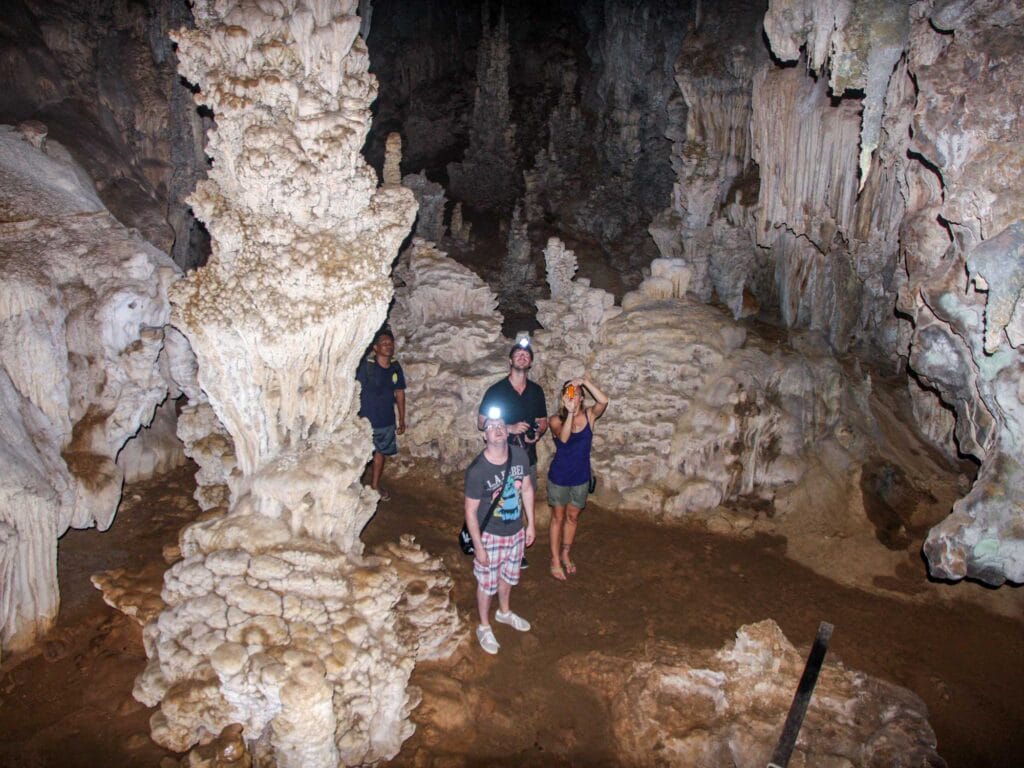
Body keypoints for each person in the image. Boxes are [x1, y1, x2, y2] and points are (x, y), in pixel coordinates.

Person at [464, 414, 536, 654]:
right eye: (491, 426)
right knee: (486, 583)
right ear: (484, 436)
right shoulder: (478, 470)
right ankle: (484, 626)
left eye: (500, 425)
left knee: (508, 576)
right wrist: (479, 546)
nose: (497, 429)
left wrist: (531, 524)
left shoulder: (519, 455)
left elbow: (526, 488)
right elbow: (470, 512)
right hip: (490, 535)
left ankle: (504, 612)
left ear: (507, 431)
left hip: (515, 531)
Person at [478, 337, 548, 568]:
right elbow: (481, 422)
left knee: (521, 502)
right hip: (500, 457)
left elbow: (542, 421)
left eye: (526, 355)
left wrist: (536, 433)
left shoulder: (536, 391)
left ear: (530, 363)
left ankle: (517, 550)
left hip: (526, 456)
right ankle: (490, 542)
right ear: (510, 360)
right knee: (500, 501)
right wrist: (508, 428)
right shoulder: (497, 390)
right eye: (518, 353)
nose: (522, 356)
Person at [547, 377, 609, 580]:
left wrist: (585, 382)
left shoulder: (590, 415)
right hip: (559, 477)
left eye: (576, 392)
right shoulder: (556, 419)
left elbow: (603, 401)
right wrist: (571, 413)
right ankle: (555, 559)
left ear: (582, 396)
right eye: (569, 392)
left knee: (572, 517)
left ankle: (565, 553)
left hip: (580, 477)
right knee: (558, 517)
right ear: (563, 397)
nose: (573, 395)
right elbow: (564, 439)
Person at [355, 327, 406, 501]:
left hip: (385, 420)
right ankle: (353, 487)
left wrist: (402, 418)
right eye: (383, 343)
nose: (388, 346)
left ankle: (375, 486)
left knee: (380, 454)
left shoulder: (395, 368)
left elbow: (399, 393)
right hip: (365, 421)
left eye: (390, 343)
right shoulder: (366, 368)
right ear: (375, 348)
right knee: (360, 454)